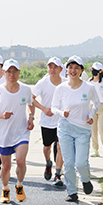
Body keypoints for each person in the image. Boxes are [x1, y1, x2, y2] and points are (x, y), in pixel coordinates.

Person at [52, 56, 100, 202]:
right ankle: (72, 192)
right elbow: (53, 107)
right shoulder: (61, 88)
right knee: (69, 163)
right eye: (70, 67)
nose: (73, 70)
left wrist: (91, 115)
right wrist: (62, 113)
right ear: (66, 70)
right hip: (65, 128)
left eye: (76, 68)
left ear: (81, 71)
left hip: (83, 129)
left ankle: (85, 179)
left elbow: (96, 103)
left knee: (80, 163)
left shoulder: (89, 88)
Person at [0, 59, 35, 203]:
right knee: (5, 167)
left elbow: (31, 104)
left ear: (19, 72)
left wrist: (31, 117)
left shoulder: (26, 89)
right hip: (4, 134)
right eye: (9, 71)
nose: (12, 74)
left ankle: (19, 185)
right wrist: (1, 116)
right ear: (3, 73)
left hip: (21, 132)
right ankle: (5, 189)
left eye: (15, 71)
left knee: (21, 160)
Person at [32, 57, 65, 186]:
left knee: (60, 146)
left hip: (61, 121)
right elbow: (31, 98)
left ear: (61, 69)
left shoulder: (66, 82)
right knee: (47, 147)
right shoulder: (42, 83)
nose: (52, 69)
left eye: (55, 67)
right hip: (46, 121)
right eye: (50, 66)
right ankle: (48, 162)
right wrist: (44, 109)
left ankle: (58, 174)